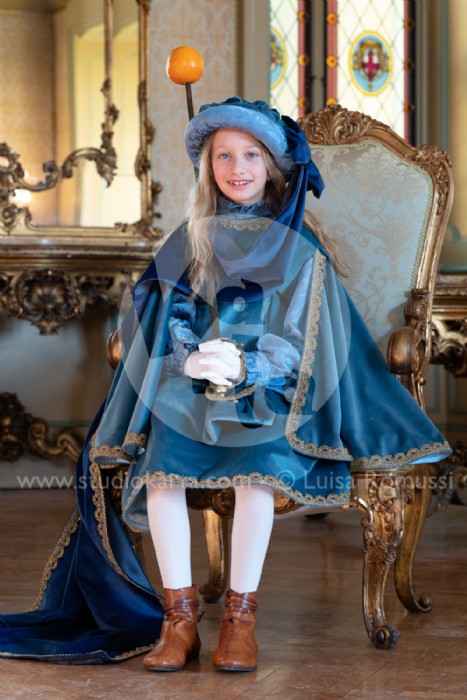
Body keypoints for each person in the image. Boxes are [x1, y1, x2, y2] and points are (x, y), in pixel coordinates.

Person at [0, 97, 451, 670]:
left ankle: (240, 618)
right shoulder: (190, 241)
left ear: (273, 167)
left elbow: (303, 339)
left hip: (271, 392)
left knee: (258, 464)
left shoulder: (299, 250)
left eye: (251, 155)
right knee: (162, 461)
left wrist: (247, 367)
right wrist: (188, 357)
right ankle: (180, 618)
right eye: (223, 156)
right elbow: (169, 314)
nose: (237, 168)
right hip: (193, 391)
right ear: (207, 167)